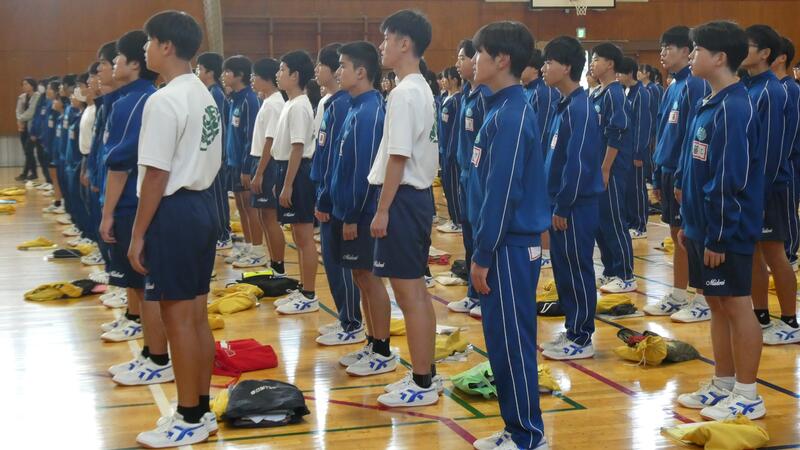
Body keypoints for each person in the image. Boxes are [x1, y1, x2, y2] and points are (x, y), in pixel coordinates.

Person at [131, 10, 222, 447]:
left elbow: (155, 174)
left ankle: (188, 417)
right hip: (203, 207)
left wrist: (137, 233)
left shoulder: (164, 100)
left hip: (175, 211)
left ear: (166, 46)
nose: (145, 48)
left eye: (149, 41)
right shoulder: (203, 94)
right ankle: (200, 409)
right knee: (196, 316)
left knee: (178, 318)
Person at [675, 20, 766, 421]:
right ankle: (724, 382)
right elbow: (697, 172)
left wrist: (719, 235)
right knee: (715, 303)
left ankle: (748, 394)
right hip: (703, 226)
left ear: (720, 58)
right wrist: (690, 223)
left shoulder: (734, 107)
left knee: (736, 303)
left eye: (697, 50)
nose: (691, 56)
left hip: (726, 230)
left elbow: (730, 179)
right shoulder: (709, 101)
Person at [468, 20, 549, 450]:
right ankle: (516, 428)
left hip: (509, 248)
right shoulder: (497, 108)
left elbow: (503, 192)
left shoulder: (513, 114)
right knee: (500, 342)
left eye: (480, 53)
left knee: (513, 342)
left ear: (502, 60)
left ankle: (527, 435)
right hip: (501, 245)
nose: (473, 60)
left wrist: (483, 252)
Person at [367, 9, 442, 407]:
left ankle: (422, 381)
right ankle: (425, 373)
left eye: (387, 38)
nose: (381, 46)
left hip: (403, 199)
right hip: (414, 198)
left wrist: (383, 210)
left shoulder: (405, 93)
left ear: (405, 43)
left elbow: (397, 157)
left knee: (409, 293)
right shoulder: (419, 88)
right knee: (415, 293)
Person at [328, 41, 395, 370]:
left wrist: (353, 214)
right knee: (359, 276)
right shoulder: (354, 106)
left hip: (362, 212)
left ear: (361, 72)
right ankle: (371, 341)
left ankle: (382, 350)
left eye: (343, 66)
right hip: (348, 210)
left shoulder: (369, 111)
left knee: (369, 277)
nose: (338, 71)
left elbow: (365, 171)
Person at [540, 36, 604, 362]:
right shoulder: (562, 105)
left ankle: (582, 336)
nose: (543, 68)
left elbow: (578, 163)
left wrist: (564, 205)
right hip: (560, 202)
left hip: (576, 205)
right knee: (563, 268)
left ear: (566, 67)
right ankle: (572, 328)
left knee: (577, 268)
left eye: (549, 62)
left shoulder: (581, 108)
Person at [646, 26, 711, 320]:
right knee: (676, 234)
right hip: (668, 170)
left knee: (691, 236)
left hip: (683, 173)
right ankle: (679, 294)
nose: (662, 53)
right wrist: (658, 173)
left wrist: (683, 176)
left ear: (687, 51)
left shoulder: (695, 85)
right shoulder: (673, 86)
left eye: (668, 47)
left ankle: (703, 299)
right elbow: (663, 133)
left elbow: (690, 137)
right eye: (661, 47)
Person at [741, 24, 799, 345]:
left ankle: (790, 320)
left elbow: (772, 150)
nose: (741, 50)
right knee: (752, 253)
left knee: (776, 254)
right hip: (751, 187)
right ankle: (761, 315)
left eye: (748, 46)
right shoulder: (749, 87)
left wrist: (759, 194)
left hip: (770, 187)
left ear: (765, 53)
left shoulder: (771, 91)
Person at [308, 43, 364, 344]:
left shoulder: (344, 106)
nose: (318, 70)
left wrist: (326, 198)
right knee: (331, 260)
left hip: (335, 198)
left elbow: (338, 160)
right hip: (325, 191)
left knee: (341, 262)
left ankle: (352, 322)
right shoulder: (332, 103)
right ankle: (345, 317)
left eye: (340, 66)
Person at [270, 50, 321, 315]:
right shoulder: (290, 103)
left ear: (295, 75)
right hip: (286, 170)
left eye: (282, 69)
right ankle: (303, 289)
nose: (278, 74)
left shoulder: (300, 105)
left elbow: (298, 147)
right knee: (298, 236)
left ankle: (310, 294)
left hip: (299, 172)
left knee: (304, 236)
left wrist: (288, 184)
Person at [446, 38, 489, 318]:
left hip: (478, 177)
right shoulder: (466, 93)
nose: (458, 62)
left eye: (463, 57)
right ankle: (473, 293)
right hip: (464, 174)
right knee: (469, 236)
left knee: (481, 236)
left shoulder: (485, 96)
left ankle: (485, 296)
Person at [589, 42, 636, 293]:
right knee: (600, 222)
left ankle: (626, 274)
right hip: (595, 168)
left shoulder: (615, 94)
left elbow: (616, 133)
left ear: (610, 64)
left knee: (614, 221)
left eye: (597, 59)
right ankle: (610, 270)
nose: (592, 63)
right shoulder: (596, 93)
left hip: (612, 170)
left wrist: (605, 168)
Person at [248, 58, 288, 275]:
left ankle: (279, 266)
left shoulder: (274, 104)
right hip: (261, 161)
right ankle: (273, 264)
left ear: (266, 78)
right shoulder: (268, 101)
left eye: (255, 76)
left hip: (268, 163)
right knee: (264, 216)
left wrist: (259, 173)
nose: (252, 80)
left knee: (270, 218)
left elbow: (270, 141)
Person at [221, 55, 262, 266]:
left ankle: (257, 250)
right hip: (233, 162)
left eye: (228, 71)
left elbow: (250, 137)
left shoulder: (249, 100)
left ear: (240, 75)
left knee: (250, 207)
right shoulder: (234, 99)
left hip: (244, 164)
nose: (224, 75)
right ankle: (246, 246)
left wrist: (247, 168)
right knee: (240, 206)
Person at [196, 51, 233, 250]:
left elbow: (218, 127)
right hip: (213, 155)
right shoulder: (209, 92)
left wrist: (217, 155)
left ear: (210, 72)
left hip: (217, 156)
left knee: (218, 196)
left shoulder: (215, 93)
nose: (197, 72)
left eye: (199, 68)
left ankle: (223, 234)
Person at [617, 57, 652, 240]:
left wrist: (639, 152)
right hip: (626, 151)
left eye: (620, 73)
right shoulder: (627, 92)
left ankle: (640, 225)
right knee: (628, 188)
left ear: (629, 73)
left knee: (637, 189)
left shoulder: (641, 93)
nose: (617, 76)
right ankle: (630, 222)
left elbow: (642, 125)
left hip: (636, 151)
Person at [775, 38, 800, 270]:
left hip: (789, 160)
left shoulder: (791, 89)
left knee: (788, 207)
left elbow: (792, 129)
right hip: (774, 160)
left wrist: (782, 157)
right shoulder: (770, 87)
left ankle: (790, 253)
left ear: (782, 57)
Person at [436, 65, 464, 234]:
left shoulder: (457, 100)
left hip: (450, 152)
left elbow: (455, 128)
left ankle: (458, 221)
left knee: (453, 186)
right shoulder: (446, 98)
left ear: (454, 80)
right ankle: (453, 218)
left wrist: (450, 151)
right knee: (446, 185)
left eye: (445, 77)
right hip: (443, 149)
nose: (443, 81)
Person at [15, 77, 41, 181]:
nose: (24, 86)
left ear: (32, 85)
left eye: (26, 84)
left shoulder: (37, 96)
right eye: (23, 84)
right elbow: (18, 111)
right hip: (23, 127)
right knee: (27, 151)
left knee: (28, 150)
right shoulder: (21, 97)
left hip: (33, 128)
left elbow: (31, 112)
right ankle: (30, 173)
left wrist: (20, 119)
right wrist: (19, 121)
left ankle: (29, 173)